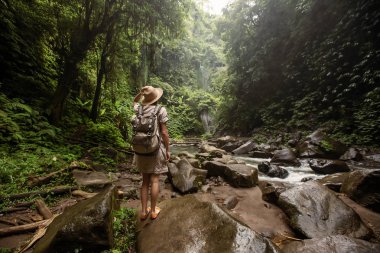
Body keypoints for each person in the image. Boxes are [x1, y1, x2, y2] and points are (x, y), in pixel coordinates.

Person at [133, 86, 170, 220]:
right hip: (154, 149)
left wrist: (141, 93)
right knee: (155, 179)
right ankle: (153, 211)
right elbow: (164, 133)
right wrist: (167, 149)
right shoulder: (160, 110)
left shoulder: (139, 109)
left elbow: (134, 101)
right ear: (156, 98)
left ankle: (143, 212)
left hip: (140, 149)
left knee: (144, 181)